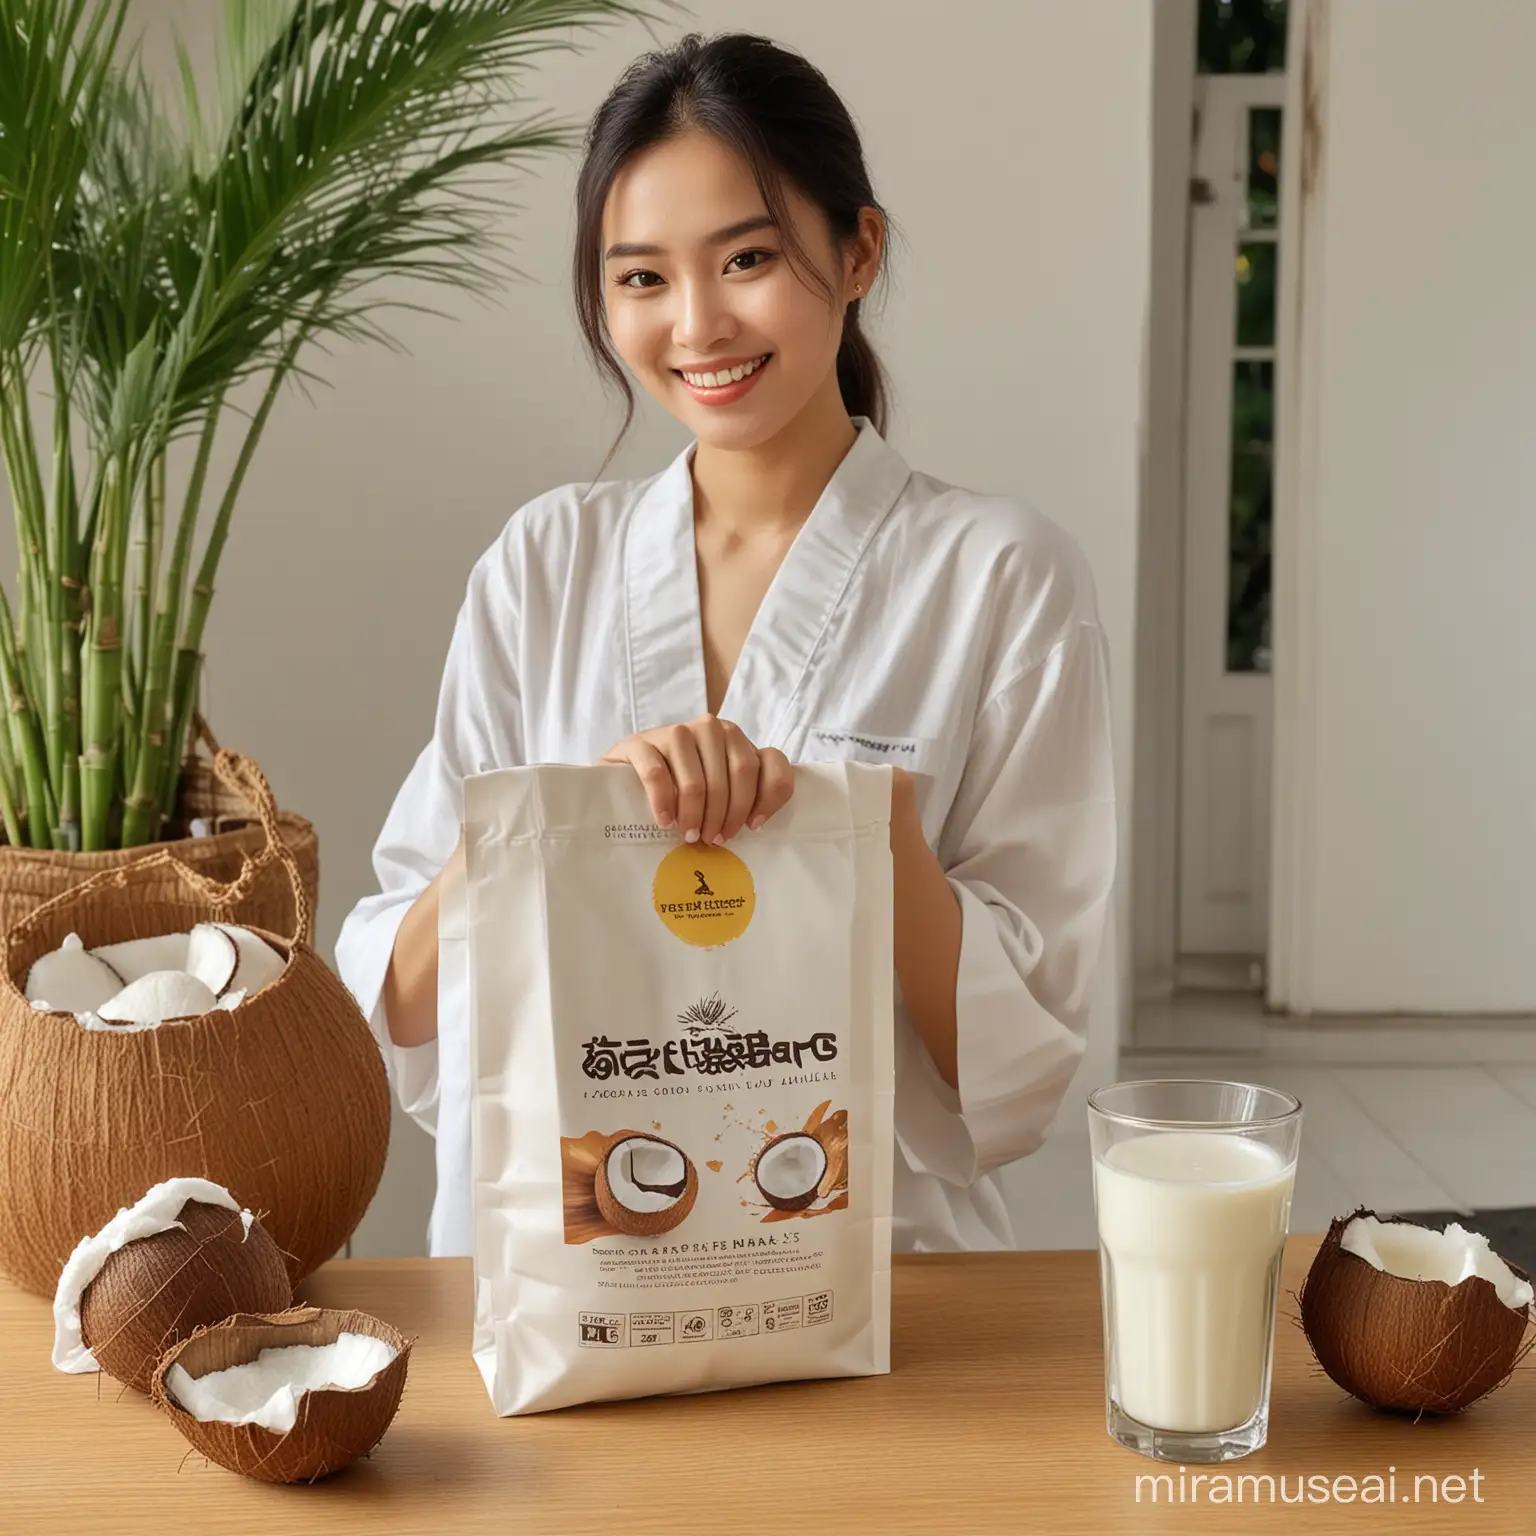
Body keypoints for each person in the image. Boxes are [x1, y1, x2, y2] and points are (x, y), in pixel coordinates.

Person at [335, 31, 1117, 1259]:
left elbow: (1019, 1069)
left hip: (874, 1285)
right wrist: (565, 819)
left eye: (747, 258)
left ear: (857, 250)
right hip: (560, 1282)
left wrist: (872, 839)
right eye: (640, 278)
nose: (697, 324)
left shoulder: (1003, 577)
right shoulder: (542, 567)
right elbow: (395, 999)